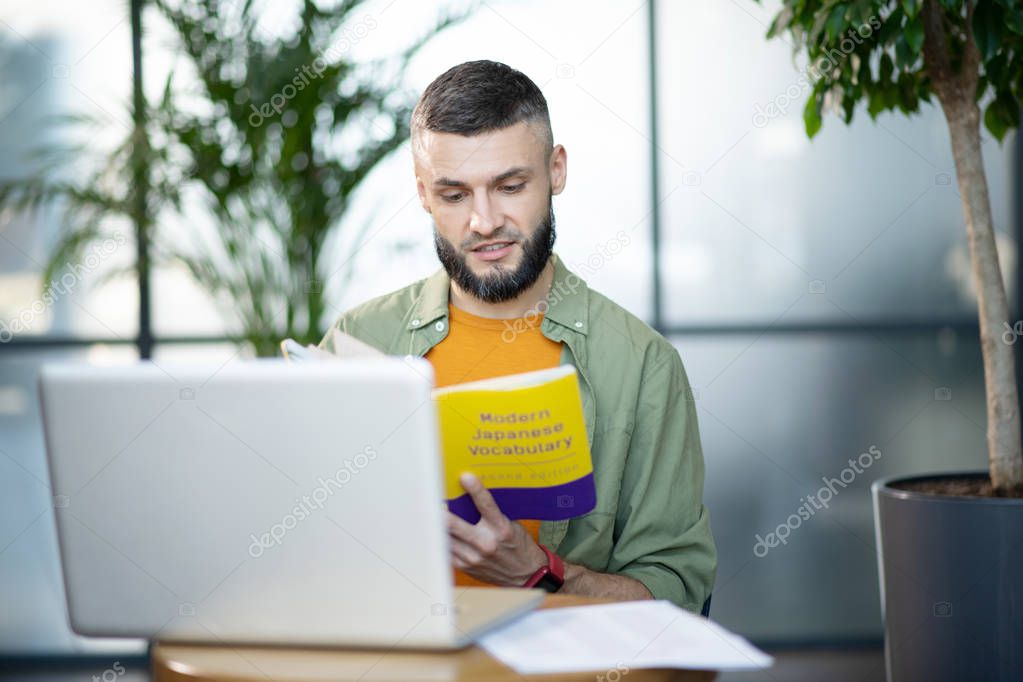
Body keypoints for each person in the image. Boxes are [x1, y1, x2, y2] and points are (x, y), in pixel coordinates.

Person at [320, 60, 715, 612]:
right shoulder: (358, 340)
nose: (483, 221)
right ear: (424, 194)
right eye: (454, 195)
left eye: (509, 186)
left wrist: (541, 572)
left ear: (556, 171)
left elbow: (680, 596)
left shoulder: (644, 365)